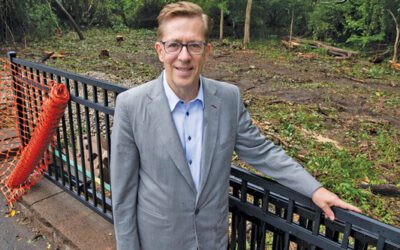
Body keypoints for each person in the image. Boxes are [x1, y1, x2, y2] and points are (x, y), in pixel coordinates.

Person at [110, 2, 361, 249]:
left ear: (207, 51)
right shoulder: (131, 106)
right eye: (174, 44)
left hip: (211, 240)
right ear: (160, 50)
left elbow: (262, 151)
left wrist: (314, 189)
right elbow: (123, 196)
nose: (184, 56)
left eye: (194, 45)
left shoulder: (228, 98)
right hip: (158, 242)